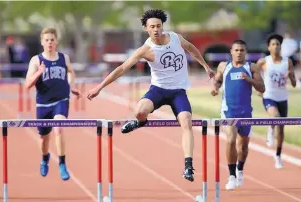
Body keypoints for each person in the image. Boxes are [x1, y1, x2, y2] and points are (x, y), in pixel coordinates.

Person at [87, 9, 215, 182]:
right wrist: (100, 87)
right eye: (152, 27)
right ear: (146, 29)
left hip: (178, 91)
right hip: (158, 90)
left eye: (159, 26)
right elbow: (122, 69)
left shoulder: (176, 38)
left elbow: (192, 49)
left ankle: (188, 166)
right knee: (139, 111)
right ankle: (140, 121)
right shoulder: (145, 50)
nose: (156, 29)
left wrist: (206, 66)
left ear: (163, 26)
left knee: (186, 121)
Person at [25, 28, 81, 181]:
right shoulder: (36, 60)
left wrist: (72, 86)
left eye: (52, 39)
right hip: (43, 104)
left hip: (61, 100)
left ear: (56, 41)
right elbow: (27, 84)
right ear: (42, 42)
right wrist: (39, 72)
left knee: (58, 127)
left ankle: (62, 163)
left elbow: (70, 71)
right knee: (44, 138)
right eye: (47, 40)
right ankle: (45, 158)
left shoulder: (64, 58)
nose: (50, 42)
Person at [211, 40, 265, 190]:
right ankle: (232, 175)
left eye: (242, 50)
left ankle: (240, 169)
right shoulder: (224, 66)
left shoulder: (251, 67)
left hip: (246, 112)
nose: (239, 52)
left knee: (244, 147)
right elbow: (217, 80)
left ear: (245, 52)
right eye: (236, 50)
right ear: (231, 52)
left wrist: (249, 79)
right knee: (230, 140)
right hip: (229, 111)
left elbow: (262, 87)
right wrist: (215, 88)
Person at [257, 34, 296, 169]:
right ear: (269, 47)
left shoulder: (287, 62)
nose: (275, 47)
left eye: (278, 44)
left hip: (282, 98)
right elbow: (254, 73)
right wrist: (258, 87)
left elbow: (295, 83)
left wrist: (291, 76)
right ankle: (270, 130)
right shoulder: (264, 61)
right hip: (269, 96)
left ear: (281, 46)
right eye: (273, 44)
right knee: (274, 116)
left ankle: (278, 155)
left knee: (281, 128)